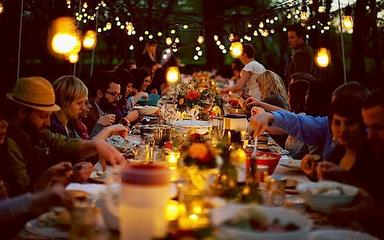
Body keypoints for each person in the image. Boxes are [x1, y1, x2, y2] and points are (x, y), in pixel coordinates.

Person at [5, 77, 125, 195]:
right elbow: (24, 195)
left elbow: (62, 143)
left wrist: (96, 144)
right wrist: (64, 177)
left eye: (49, 116)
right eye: (43, 116)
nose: (48, 123)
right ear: (22, 112)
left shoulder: (35, 130)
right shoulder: (10, 143)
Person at [249, 82, 370, 160]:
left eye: (350, 122)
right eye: (335, 110)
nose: (343, 129)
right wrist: (270, 116)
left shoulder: (372, 151)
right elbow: (298, 122)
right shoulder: (327, 124)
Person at [302, 95, 367, 182]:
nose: (343, 129)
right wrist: (313, 172)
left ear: (362, 125)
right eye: (337, 123)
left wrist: (343, 176)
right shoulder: (339, 150)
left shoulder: (370, 157)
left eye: (350, 123)